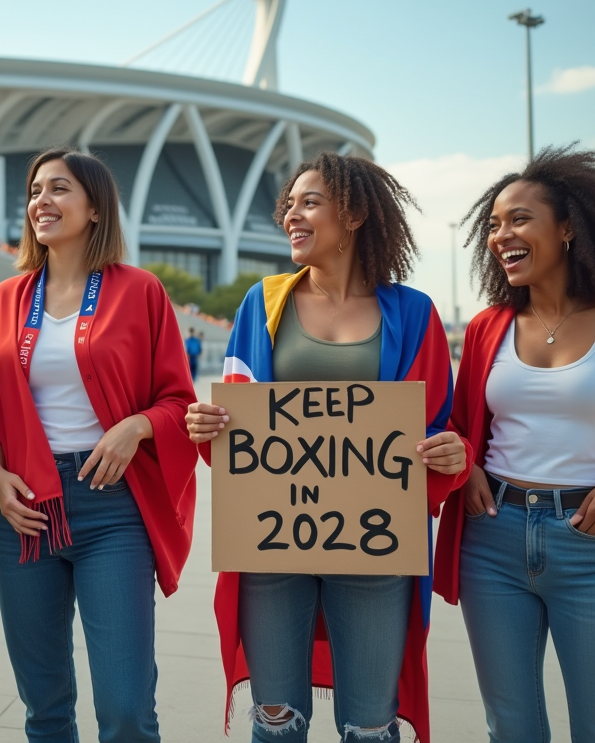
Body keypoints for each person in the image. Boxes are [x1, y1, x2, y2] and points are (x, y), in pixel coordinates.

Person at [186, 152, 468, 743]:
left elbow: (440, 425)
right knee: (276, 719)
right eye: (289, 204)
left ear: (357, 214)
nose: (292, 215)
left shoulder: (413, 314)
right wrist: (210, 428)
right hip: (271, 545)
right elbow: (240, 442)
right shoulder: (262, 303)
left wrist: (448, 454)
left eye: (309, 202)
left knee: (369, 725)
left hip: (374, 550)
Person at [434, 145, 595, 743]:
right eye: (492, 225)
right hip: (493, 540)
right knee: (511, 728)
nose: (500, 235)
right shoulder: (489, 326)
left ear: (568, 228)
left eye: (519, 219)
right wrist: (464, 464)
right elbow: (466, 425)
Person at [0, 147, 198, 742]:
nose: (40, 203)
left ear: (96, 207)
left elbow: (179, 401)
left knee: (126, 706)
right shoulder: (6, 299)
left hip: (111, 509)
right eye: (34, 191)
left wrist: (135, 426)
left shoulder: (140, 291)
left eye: (59, 189)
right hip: (26, 509)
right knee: (44, 705)